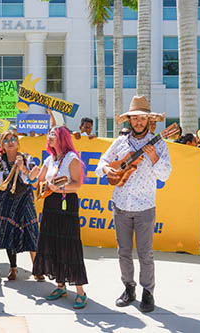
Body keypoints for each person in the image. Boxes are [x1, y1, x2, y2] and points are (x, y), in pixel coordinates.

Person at [95, 96, 172, 313]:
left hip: (145, 207)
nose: (138, 122)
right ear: (129, 120)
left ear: (149, 120)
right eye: (134, 118)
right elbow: (100, 164)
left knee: (146, 253)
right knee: (123, 252)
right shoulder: (120, 142)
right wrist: (107, 170)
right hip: (120, 205)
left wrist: (155, 157)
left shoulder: (160, 144)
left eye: (142, 118)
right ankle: (129, 288)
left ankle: (148, 292)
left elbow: (165, 175)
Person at [32, 125, 89, 309]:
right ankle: (60, 286)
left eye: (53, 135)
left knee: (68, 247)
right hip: (50, 205)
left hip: (66, 205)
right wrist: (30, 174)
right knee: (52, 245)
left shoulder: (71, 158)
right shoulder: (49, 159)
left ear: (62, 138)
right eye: (49, 134)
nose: (49, 137)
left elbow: (77, 184)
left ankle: (80, 292)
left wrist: (61, 188)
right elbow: (38, 182)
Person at [0, 130, 41, 281]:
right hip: (5, 200)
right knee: (9, 233)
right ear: (2, 144)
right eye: (6, 140)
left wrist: (22, 167)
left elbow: (34, 180)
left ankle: (36, 268)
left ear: (17, 141)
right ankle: (13, 268)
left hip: (24, 198)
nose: (10, 141)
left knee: (32, 231)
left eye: (13, 138)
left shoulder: (26, 158)